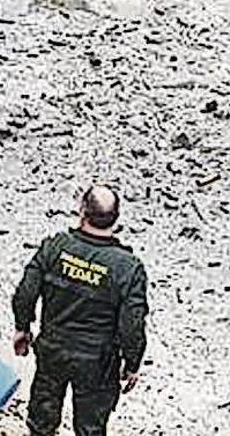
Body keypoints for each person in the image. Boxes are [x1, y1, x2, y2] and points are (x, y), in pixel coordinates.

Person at [11, 185, 149, 436]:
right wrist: (132, 364)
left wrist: (22, 328)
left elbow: (26, 292)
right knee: (90, 429)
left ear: (82, 210)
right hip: (97, 362)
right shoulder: (128, 268)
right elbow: (133, 324)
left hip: (53, 349)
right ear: (116, 218)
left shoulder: (55, 247)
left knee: (41, 422)